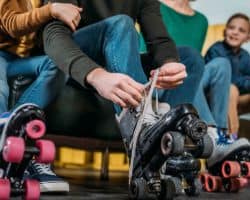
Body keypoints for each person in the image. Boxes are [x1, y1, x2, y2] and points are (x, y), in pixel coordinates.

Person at [42, 0, 250, 174]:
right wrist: (95, 74)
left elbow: (158, 38)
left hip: (117, 55)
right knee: (122, 25)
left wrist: (169, 63)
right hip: (79, 60)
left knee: (190, 58)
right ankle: (143, 131)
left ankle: (170, 145)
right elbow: (53, 35)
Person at [0, 0, 82, 193]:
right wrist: (52, 10)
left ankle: (18, 145)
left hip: (25, 60)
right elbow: (10, 24)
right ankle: (5, 146)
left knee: (60, 61)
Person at [205, 13, 250, 138]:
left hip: (237, 99)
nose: (235, 32)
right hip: (213, 95)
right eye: (231, 28)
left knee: (234, 90)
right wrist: (245, 82)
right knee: (231, 89)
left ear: (247, 37)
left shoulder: (245, 56)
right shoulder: (216, 50)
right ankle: (228, 136)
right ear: (225, 31)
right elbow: (226, 80)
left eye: (241, 30)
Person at [140, 0, 208, 53]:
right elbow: (144, 52)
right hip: (159, 66)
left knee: (217, 51)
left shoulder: (201, 21)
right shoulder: (154, 8)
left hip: (190, 67)